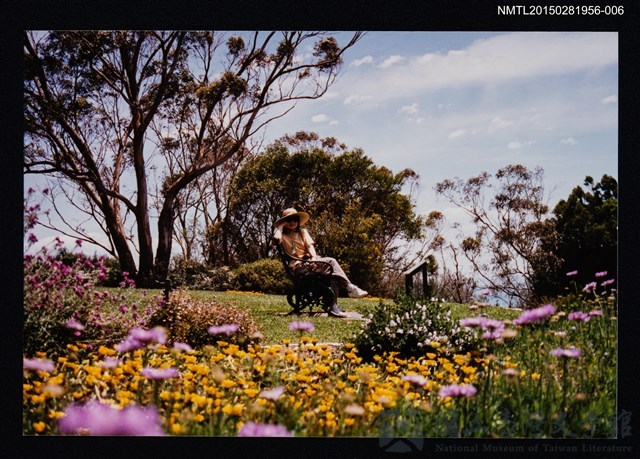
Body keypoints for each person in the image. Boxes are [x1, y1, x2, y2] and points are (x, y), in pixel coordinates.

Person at [272, 207, 368, 317]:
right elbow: (275, 241)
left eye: (295, 219)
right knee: (331, 261)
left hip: (311, 262)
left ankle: (333, 307)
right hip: (299, 267)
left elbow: (310, 246)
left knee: (332, 273)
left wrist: (313, 258)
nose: (292, 222)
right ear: (285, 222)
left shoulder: (303, 232)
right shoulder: (282, 235)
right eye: (289, 220)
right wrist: (280, 226)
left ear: (298, 221)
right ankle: (350, 288)